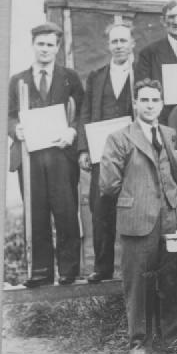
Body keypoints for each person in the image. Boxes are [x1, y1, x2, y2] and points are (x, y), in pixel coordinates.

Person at [99, 79, 177, 354]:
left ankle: (173, 338)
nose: (149, 105)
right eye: (144, 100)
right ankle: (140, 342)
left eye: (154, 100)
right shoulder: (119, 137)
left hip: (171, 217)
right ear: (135, 104)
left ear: (162, 103)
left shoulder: (171, 134)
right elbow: (108, 185)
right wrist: (135, 196)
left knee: (172, 278)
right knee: (138, 283)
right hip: (137, 219)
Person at [7, 22, 84, 288]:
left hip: (60, 155)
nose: (45, 49)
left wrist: (72, 132)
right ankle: (40, 271)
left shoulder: (70, 77)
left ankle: (68, 270)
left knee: (65, 211)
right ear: (33, 45)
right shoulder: (18, 80)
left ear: (58, 48)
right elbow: (8, 115)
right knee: (35, 212)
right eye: (40, 44)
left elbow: (83, 112)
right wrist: (15, 129)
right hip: (30, 158)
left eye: (50, 45)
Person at [77, 21, 135, 283]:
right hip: (102, 152)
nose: (119, 46)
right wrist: (83, 149)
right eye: (115, 41)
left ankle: (133, 268)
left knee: (133, 207)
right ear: (108, 45)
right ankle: (103, 268)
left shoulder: (140, 73)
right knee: (101, 210)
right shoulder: (97, 76)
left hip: (134, 152)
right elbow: (85, 113)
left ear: (132, 43)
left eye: (124, 40)